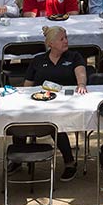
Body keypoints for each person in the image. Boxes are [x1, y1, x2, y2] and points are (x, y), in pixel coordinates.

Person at [20, 26, 86, 179]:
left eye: (66, 38)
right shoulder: (38, 60)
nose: (66, 41)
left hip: (63, 104)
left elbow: (81, 74)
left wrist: (81, 85)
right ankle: (19, 158)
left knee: (54, 122)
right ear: (50, 43)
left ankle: (69, 162)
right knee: (20, 118)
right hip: (39, 101)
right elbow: (27, 86)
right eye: (61, 39)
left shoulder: (74, 57)